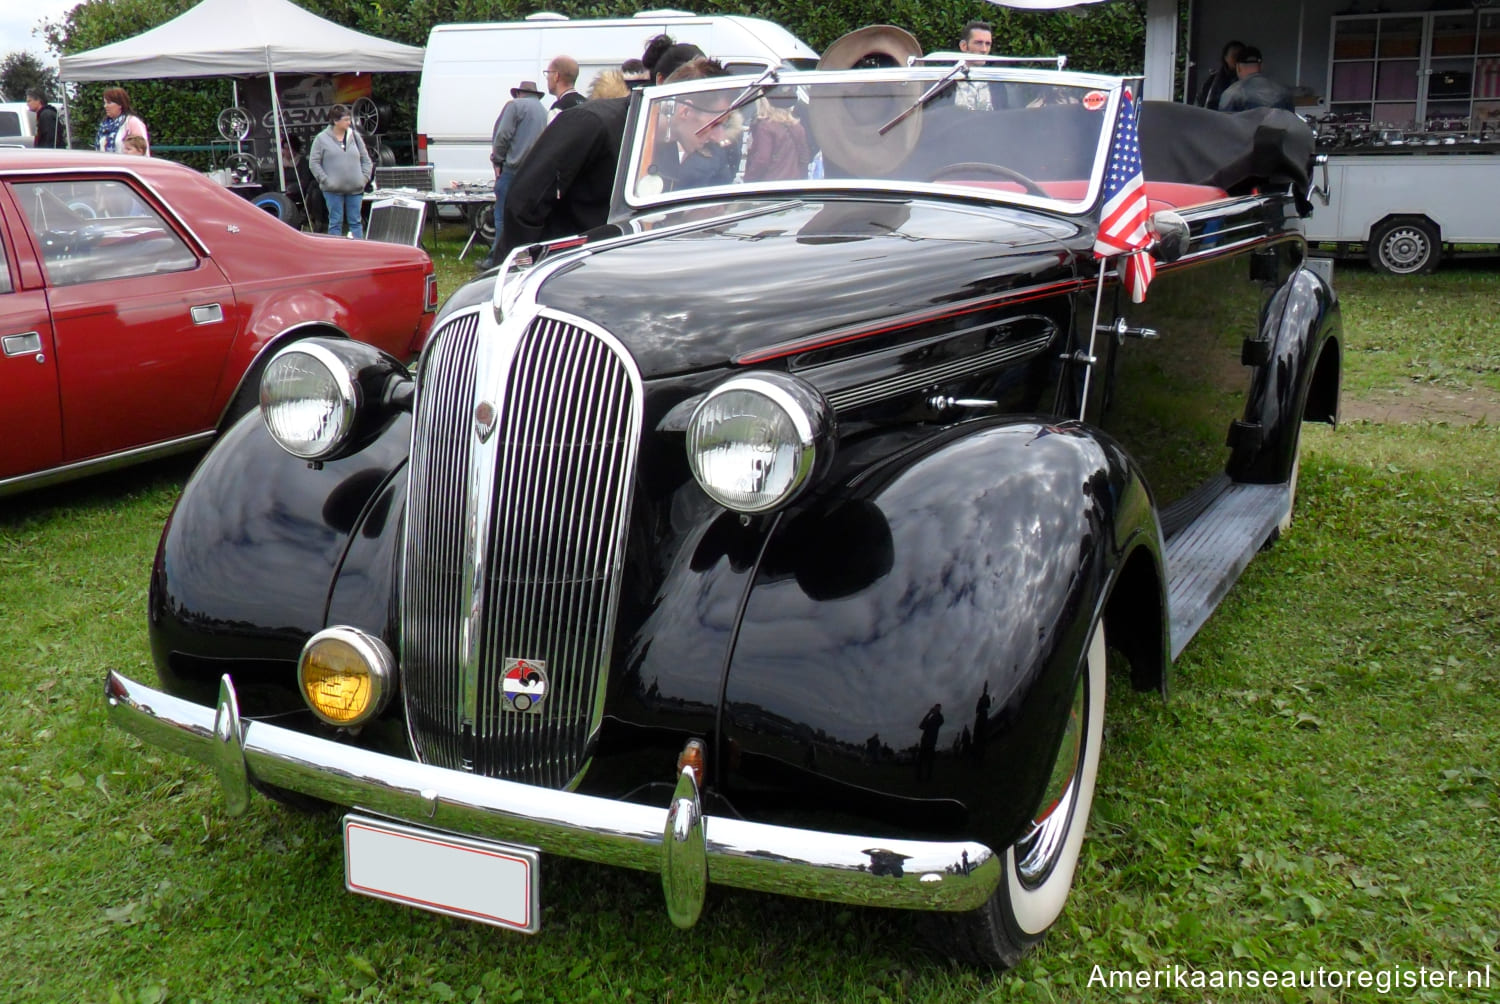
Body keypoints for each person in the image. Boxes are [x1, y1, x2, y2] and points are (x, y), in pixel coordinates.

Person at [475, 79, 548, 269]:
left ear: (518, 93)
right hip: (533, 172)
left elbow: (503, 135)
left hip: (512, 170)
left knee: (501, 217)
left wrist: (497, 160)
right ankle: (522, 257)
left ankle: (495, 259)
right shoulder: (543, 110)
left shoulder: (515, 106)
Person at [309, 104, 373, 238]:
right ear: (335, 121)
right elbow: (313, 163)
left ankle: (359, 250)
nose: (349, 123)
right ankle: (336, 252)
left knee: (356, 221)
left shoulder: (355, 136)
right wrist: (325, 180)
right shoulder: (321, 139)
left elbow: (366, 159)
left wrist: (364, 178)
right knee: (335, 221)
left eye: (349, 119)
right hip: (333, 189)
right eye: (345, 119)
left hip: (355, 188)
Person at [743, 93, 809, 182]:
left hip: (770, 189)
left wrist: (749, 180)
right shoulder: (798, 127)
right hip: (793, 187)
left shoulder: (765, 127)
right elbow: (804, 159)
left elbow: (762, 160)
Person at [1218, 46, 1295, 113]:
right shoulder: (1283, 91)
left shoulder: (1231, 94)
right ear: (1261, 66)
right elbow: (1291, 123)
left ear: (1238, 67)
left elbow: (1225, 125)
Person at [96, 87, 148, 155]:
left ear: (120, 104)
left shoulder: (132, 122)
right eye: (105, 103)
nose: (105, 106)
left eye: (109, 103)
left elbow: (143, 150)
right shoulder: (104, 125)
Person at [1197, 40, 1245, 109]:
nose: (1238, 59)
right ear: (1226, 58)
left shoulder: (1250, 80)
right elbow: (1201, 102)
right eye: (1234, 56)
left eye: (1241, 56)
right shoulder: (1213, 80)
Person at [546, 56, 585, 120]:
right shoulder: (588, 104)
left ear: (556, 76)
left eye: (548, 73)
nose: (547, 78)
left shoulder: (558, 109)